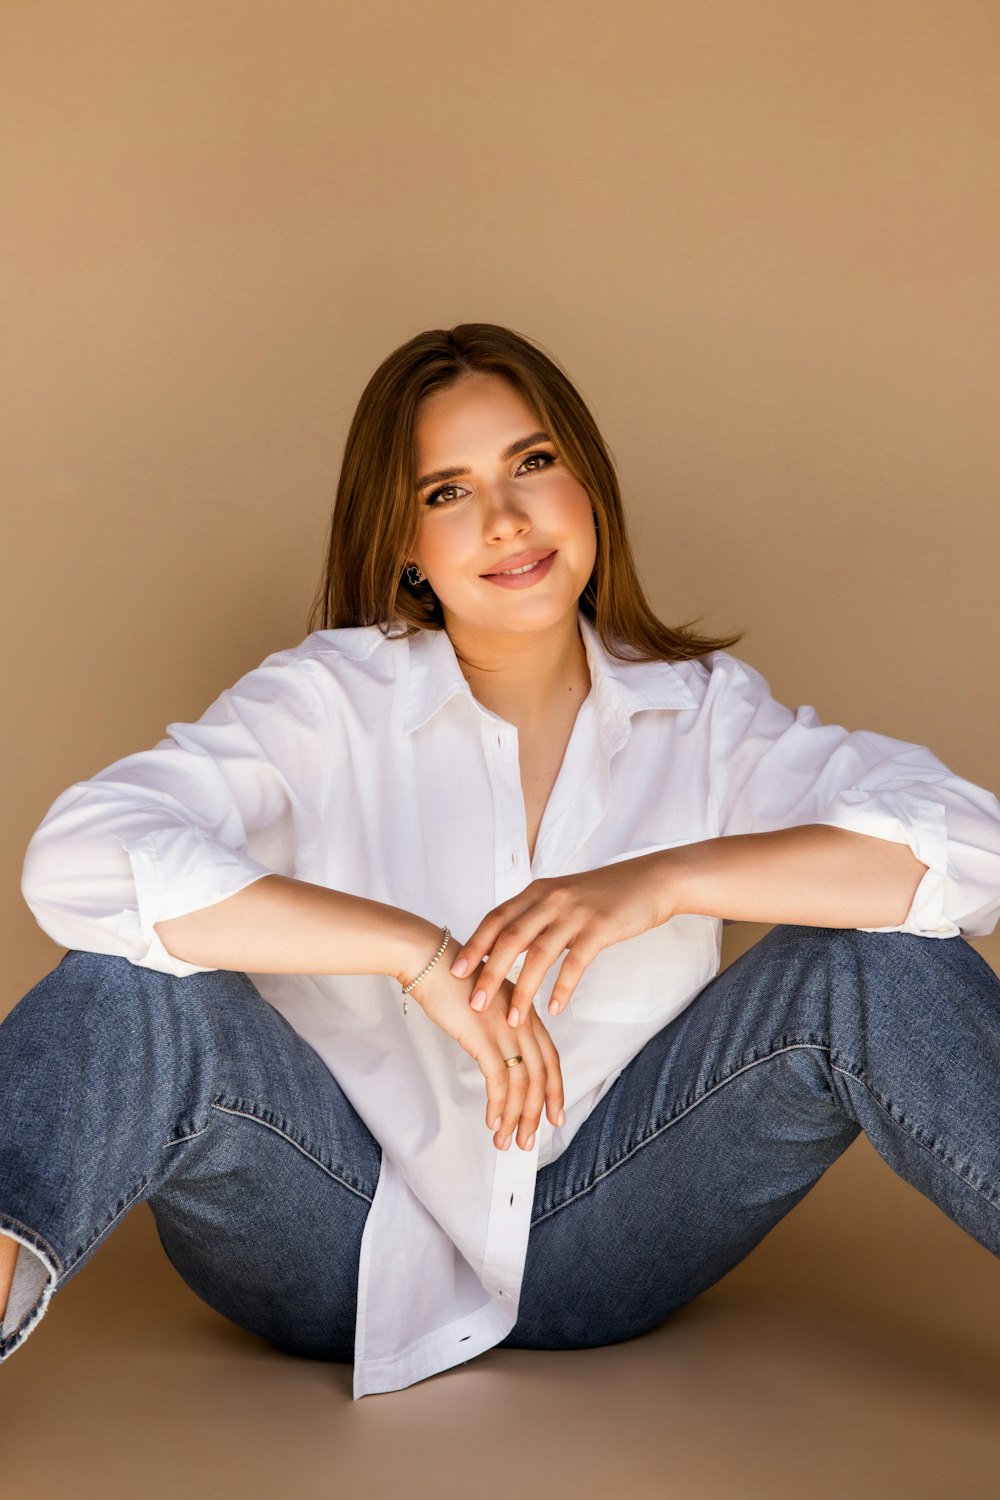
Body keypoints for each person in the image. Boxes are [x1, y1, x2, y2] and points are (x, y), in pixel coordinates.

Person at [3, 323, 1000, 1401]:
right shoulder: (325, 700)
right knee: (127, 986)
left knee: (872, 963)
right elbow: (80, 857)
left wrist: (660, 881)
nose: (506, 520)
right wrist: (414, 956)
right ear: (401, 546)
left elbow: (970, 848)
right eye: (446, 493)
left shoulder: (704, 714)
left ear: (588, 487)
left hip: (616, 1222)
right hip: (325, 1226)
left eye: (532, 464)